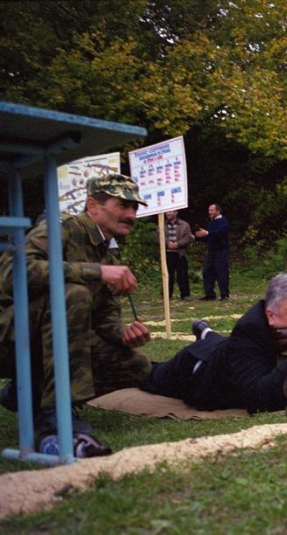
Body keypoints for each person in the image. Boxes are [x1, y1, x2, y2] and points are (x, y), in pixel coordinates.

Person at [0, 174, 153, 457]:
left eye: (135, 208)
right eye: (123, 205)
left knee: (137, 364)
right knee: (74, 293)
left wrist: (122, 333)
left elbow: (104, 315)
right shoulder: (61, 229)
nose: (132, 214)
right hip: (11, 332)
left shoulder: (108, 252)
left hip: (46, 341)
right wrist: (95, 272)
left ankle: (27, 394)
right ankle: (55, 419)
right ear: (93, 205)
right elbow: (11, 273)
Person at [140, 273, 287, 413]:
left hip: (229, 350)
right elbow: (255, 399)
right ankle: (206, 337)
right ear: (271, 315)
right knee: (147, 374)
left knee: (221, 343)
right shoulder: (249, 331)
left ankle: (207, 333)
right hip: (198, 368)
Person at [194, 203, 230, 301]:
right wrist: (197, 237)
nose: (210, 212)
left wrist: (207, 233)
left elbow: (220, 233)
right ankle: (209, 294)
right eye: (209, 210)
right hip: (211, 251)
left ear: (218, 211)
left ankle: (224, 294)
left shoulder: (223, 221)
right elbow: (209, 237)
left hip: (221, 251)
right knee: (207, 272)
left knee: (221, 272)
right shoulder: (211, 222)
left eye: (212, 210)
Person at [160, 210, 194, 301]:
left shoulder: (184, 225)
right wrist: (168, 243)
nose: (168, 214)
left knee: (182, 275)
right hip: (167, 253)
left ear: (176, 213)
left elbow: (189, 237)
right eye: (166, 212)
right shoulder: (162, 224)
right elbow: (159, 236)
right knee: (167, 275)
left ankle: (185, 295)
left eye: (170, 212)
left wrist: (177, 244)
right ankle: (166, 295)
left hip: (180, 253)